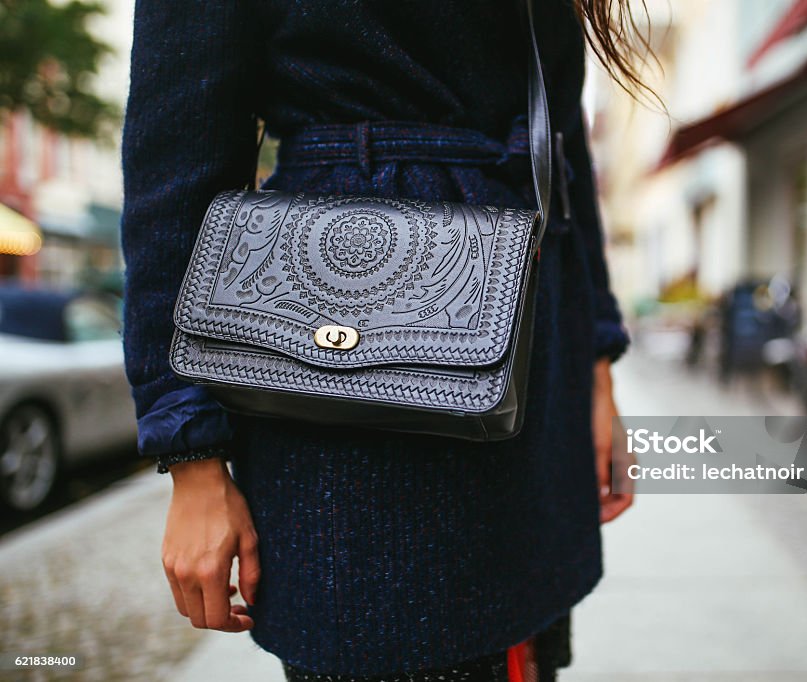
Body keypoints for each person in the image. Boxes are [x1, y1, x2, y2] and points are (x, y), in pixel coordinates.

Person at [120, 1, 647, 679]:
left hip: (531, 349)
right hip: (343, 379)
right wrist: (189, 450)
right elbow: (176, 162)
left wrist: (596, 371)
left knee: (521, 646)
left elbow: (563, 144)